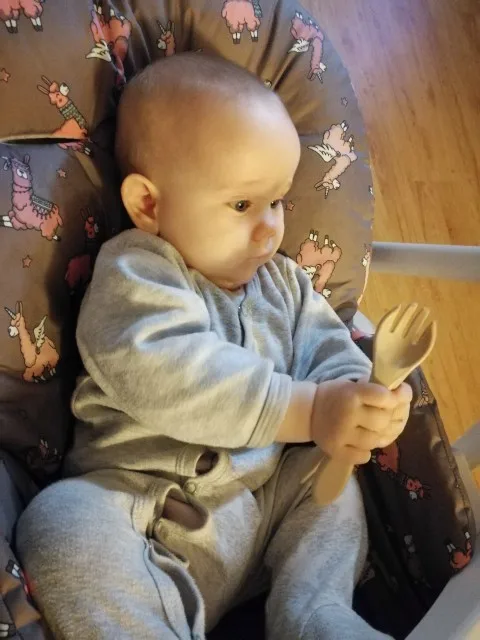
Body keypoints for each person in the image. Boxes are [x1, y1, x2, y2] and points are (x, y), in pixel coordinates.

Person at [16, 53, 412, 640]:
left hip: (259, 510)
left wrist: (361, 399)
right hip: (139, 512)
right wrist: (307, 410)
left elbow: (331, 353)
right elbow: (167, 369)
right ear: (149, 205)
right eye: (243, 205)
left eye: (277, 202)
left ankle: (314, 614)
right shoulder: (136, 271)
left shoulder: (285, 285)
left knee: (327, 477)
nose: (270, 228)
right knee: (57, 525)